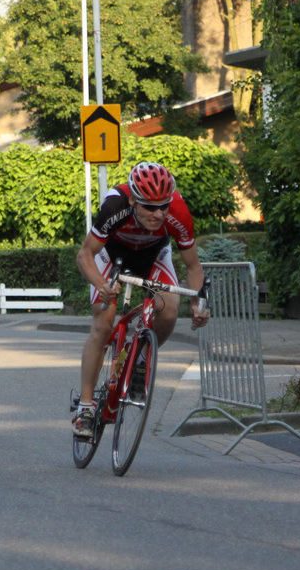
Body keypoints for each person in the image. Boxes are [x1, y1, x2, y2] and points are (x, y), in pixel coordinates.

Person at [72, 162, 210, 439]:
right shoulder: (115, 204)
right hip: (112, 255)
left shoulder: (178, 211)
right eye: (149, 207)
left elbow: (193, 266)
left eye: (163, 206)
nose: (158, 214)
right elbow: (85, 254)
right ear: (134, 200)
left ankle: (140, 361)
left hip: (153, 255)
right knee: (103, 323)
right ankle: (85, 408)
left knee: (170, 310)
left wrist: (198, 305)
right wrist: (101, 285)